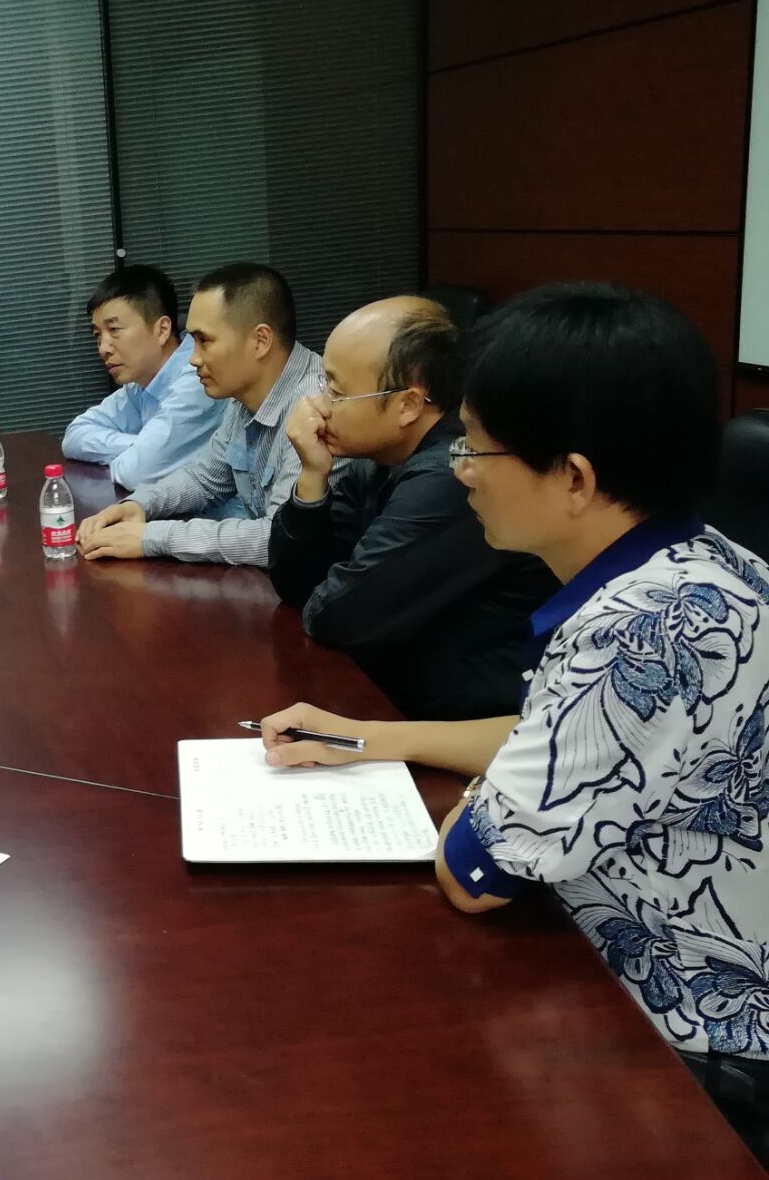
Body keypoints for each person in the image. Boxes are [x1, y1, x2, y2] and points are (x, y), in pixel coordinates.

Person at [257, 284, 769, 1131]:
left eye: (477, 448)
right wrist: (369, 737)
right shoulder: (708, 561)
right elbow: (552, 736)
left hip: (686, 1046)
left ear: (574, 478)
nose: (460, 469)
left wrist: (495, 798)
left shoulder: (637, 631)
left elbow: (473, 872)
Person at [267, 296, 557, 719]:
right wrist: (312, 475)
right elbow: (297, 586)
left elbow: (338, 616)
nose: (319, 406)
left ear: (408, 404)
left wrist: (330, 587)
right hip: (396, 696)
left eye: (336, 391)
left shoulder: (454, 475)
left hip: (473, 721)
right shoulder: (377, 458)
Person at [76, 263, 322, 566]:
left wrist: (152, 537)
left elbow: (274, 538)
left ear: (260, 341)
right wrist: (139, 505)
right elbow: (204, 478)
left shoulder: (314, 407)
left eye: (204, 341)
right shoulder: (242, 399)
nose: (193, 359)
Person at [62, 264, 226, 490]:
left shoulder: (199, 378)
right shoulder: (141, 383)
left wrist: (146, 453)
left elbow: (134, 473)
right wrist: (142, 446)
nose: (103, 348)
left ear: (162, 330)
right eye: (98, 335)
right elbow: (74, 436)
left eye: (114, 330)